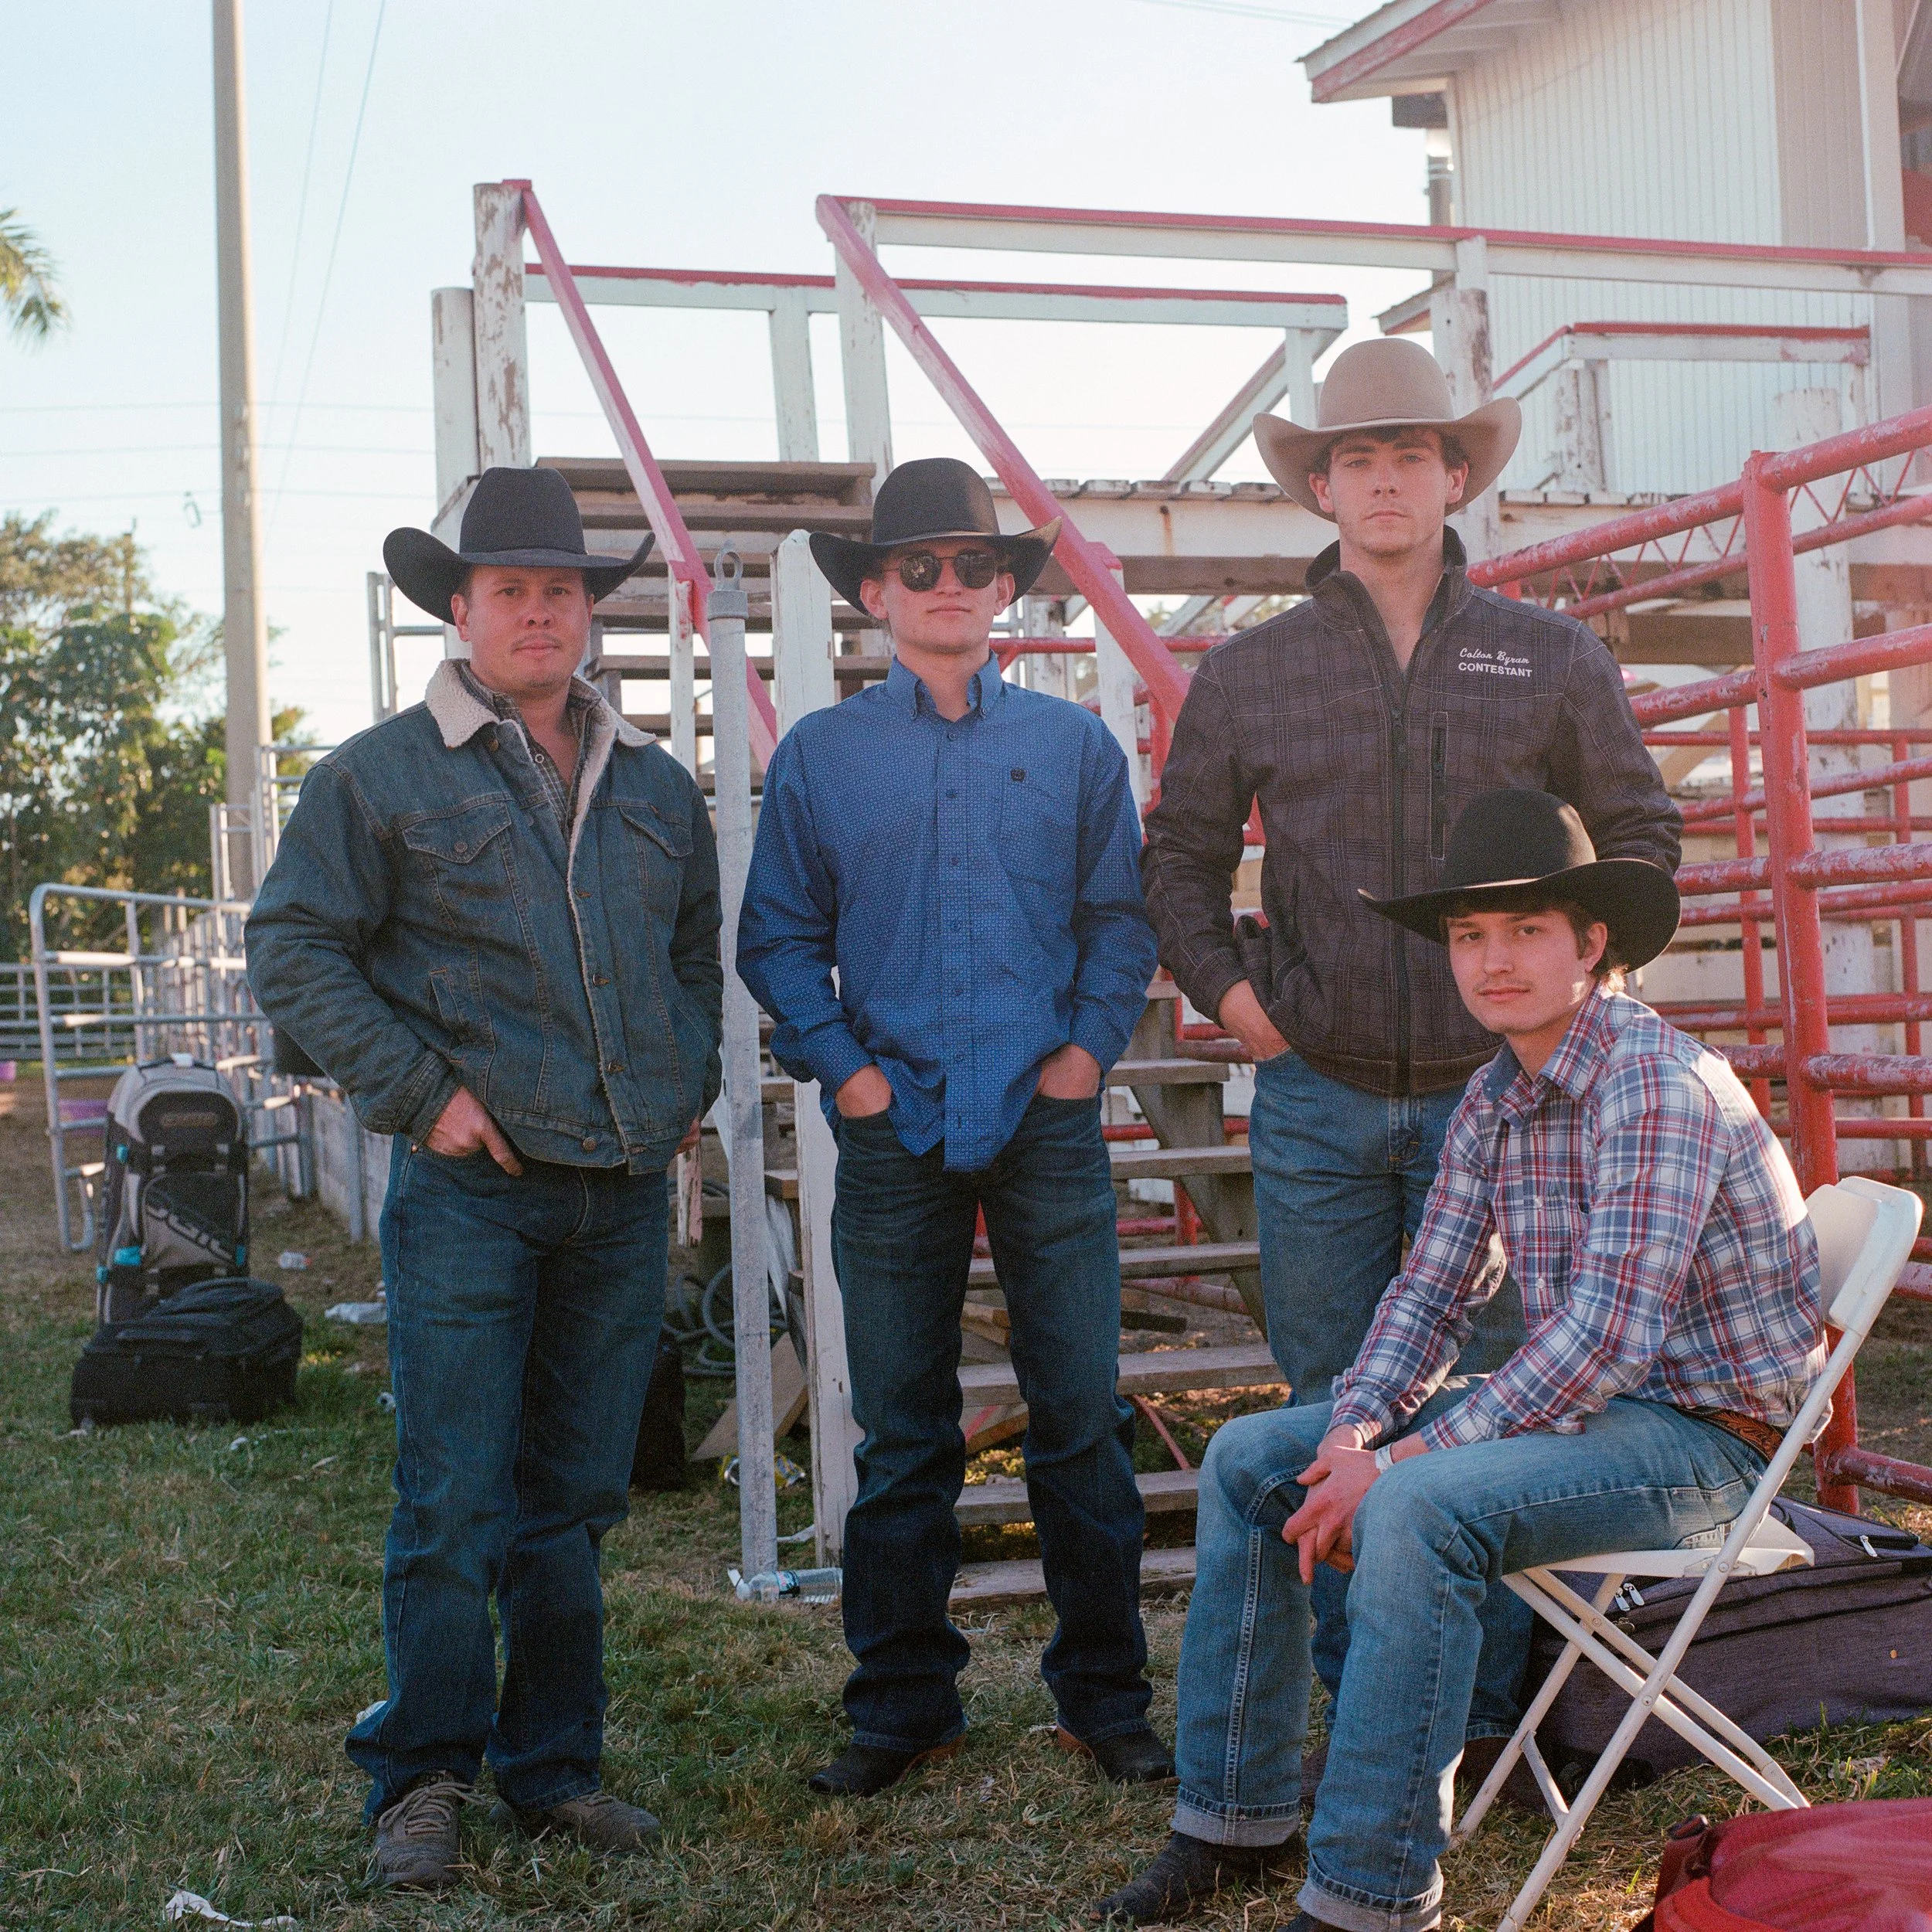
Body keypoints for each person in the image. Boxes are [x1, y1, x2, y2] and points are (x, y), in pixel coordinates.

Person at [1098, 788, 1823, 1929]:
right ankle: (1231, 1819)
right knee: (1251, 1455)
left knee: (1422, 1507)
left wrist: (1394, 1466)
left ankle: (1370, 1893)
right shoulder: (1496, 1091)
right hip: (1597, 1413)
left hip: (1705, 1441)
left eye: (1527, 930)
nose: (1493, 962)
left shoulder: (1654, 1081)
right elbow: (1432, 1293)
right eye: (1469, 937)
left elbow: (1605, 1336)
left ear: (1591, 943)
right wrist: (1353, 1429)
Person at [1140, 335, 1682, 1748]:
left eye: (1412, 456)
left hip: (1502, 1105)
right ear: (1322, 489)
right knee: (1333, 1405)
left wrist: (1574, 1002)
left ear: (1458, 476)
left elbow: (1641, 833)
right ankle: (1360, 1696)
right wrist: (1238, 1002)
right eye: (1356, 459)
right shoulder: (1254, 669)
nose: (1384, 481)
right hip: (1316, 1093)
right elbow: (1180, 855)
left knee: (1506, 1411)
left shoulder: (1547, 652)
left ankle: (1487, 1717)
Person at [246, 466, 723, 1889]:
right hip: (471, 1190)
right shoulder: (378, 775)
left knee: (573, 1501)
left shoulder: (651, 787)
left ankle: (553, 1767)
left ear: (589, 614)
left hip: (620, 1191)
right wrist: (423, 1100)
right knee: (453, 1495)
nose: (537, 612)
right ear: (456, 611)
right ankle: (421, 1777)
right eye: (507, 589)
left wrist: (678, 1082)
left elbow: (695, 958)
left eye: (560, 590)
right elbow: (294, 949)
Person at [738, 457, 1169, 1799]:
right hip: (893, 1126)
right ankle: (904, 1702)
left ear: (1003, 590)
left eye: (971, 566)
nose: (947, 587)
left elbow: (1120, 924)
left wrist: (1085, 1056)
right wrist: (848, 1078)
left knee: (1079, 1416)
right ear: (871, 594)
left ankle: (1103, 1698)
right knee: (905, 1431)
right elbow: (777, 939)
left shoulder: (1073, 748)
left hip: (1044, 1123)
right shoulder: (820, 757)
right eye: (915, 568)